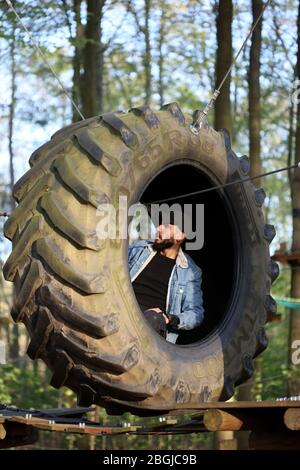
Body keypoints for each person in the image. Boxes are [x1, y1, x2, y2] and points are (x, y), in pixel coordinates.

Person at [128, 224, 204, 343]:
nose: (158, 229)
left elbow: (195, 314)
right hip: (124, 307)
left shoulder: (190, 272)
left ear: (180, 237)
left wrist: (170, 319)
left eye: (167, 227)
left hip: (150, 320)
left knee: (152, 319)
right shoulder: (141, 248)